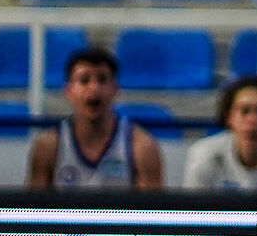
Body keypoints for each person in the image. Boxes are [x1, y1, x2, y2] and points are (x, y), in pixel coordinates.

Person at [27, 45, 166, 190]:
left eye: (102, 80)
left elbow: (152, 210)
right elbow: (33, 209)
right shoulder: (48, 146)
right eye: (84, 80)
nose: (94, 88)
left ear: (115, 89)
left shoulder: (141, 146)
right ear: (69, 90)